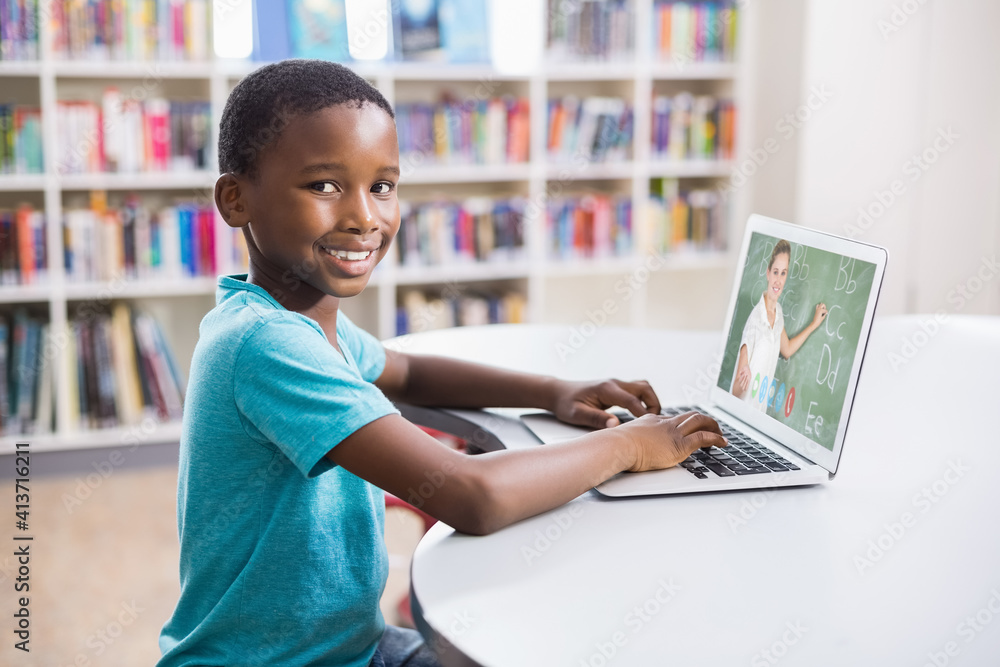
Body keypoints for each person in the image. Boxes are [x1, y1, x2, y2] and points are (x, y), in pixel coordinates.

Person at [157, 59, 727, 667]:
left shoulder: (304, 321)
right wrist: (628, 447)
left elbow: (408, 371)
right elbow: (468, 496)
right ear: (236, 199)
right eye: (324, 186)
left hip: (350, 646)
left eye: (381, 186)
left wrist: (555, 389)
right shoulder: (266, 344)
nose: (364, 217)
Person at [731, 239, 828, 411]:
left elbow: (787, 349)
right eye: (775, 272)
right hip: (744, 413)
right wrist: (743, 375)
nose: (778, 280)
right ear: (768, 273)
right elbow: (735, 392)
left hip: (759, 417)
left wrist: (814, 325)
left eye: (783, 273)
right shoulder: (755, 321)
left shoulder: (778, 313)